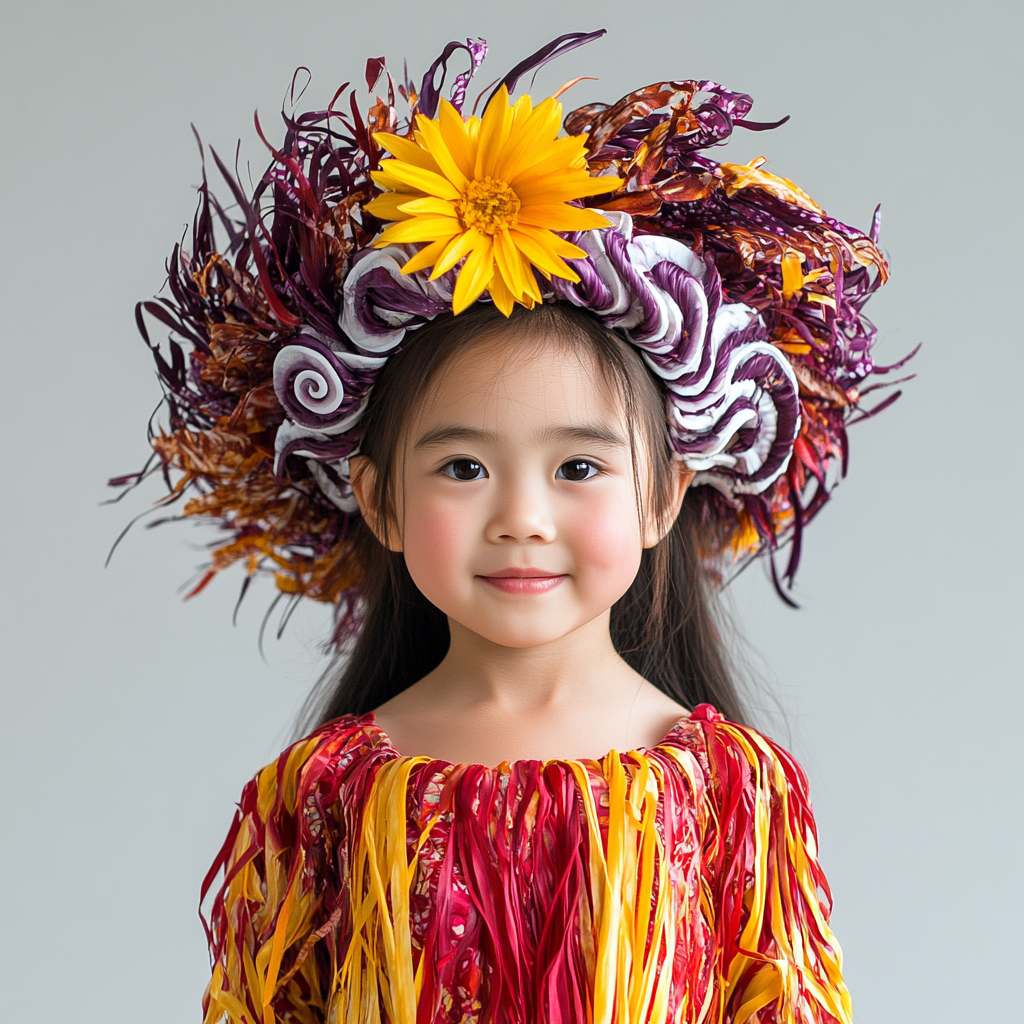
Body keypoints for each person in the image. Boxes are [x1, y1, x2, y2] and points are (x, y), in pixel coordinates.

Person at [120, 30, 902, 1024]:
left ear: (665, 495)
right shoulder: (319, 795)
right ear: (380, 501)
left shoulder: (731, 794)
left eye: (578, 466)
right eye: (463, 467)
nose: (522, 518)